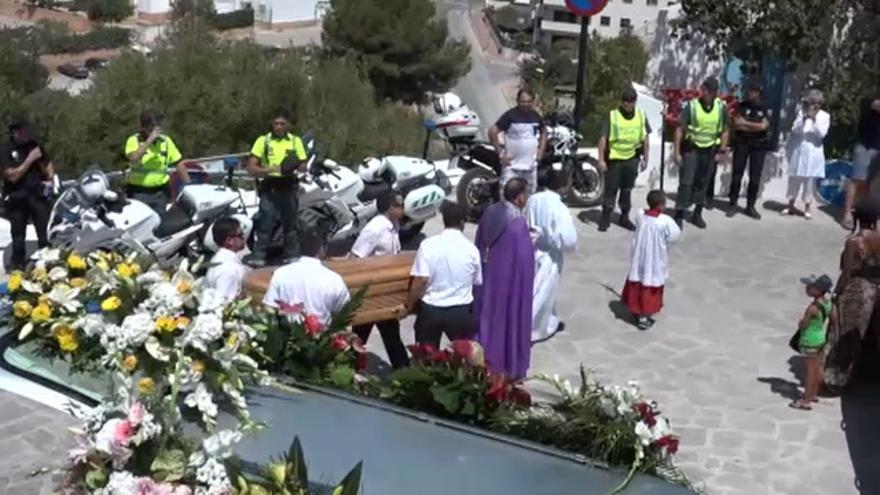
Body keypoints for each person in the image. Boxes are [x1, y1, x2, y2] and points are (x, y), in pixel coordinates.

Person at [473, 178, 535, 379]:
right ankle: (507, 365)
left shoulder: (491, 212)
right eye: (525, 194)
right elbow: (525, 262)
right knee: (508, 321)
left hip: (490, 276)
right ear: (519, 198)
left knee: (490, 317)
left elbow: (480, 242)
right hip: (510, 283)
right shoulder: (517, 225)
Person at [406, 201, 482, 349]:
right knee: (462, 359)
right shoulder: (471, 249)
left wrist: (408, 305)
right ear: (462, 222)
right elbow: (476, 281)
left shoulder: (428, 245)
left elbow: (421, 280)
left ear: (444, 220)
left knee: (427, 357)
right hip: (461, 311)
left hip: (431, 310)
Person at [824, 198, 880, 389]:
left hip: (857, 291)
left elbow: (847, 273)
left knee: (845, 336)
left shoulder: (854, 242)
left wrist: (836, 294)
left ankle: (838, 379)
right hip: (875, 290)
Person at [349, 192, 409, 369]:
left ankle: (402, 369)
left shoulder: (394, 225)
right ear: (390, 208)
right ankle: (350, 369)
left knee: (390, 335)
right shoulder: (374, 229)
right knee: (361, 336)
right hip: (369, 294)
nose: (403, 209)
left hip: (385, 293)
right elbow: (355, 258)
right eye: (400, 205)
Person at [245, 109, 308, 267]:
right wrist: (268, 170)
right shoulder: (263, 141)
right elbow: (251, 168)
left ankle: (292, 257)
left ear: (288, 125)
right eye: (276, 123)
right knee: (265, 222)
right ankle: (259, 257)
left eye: (282, 123)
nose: (278, 127)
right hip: (270, 186)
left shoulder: (295, 141)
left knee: (291, 224)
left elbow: (303, 164)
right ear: (271, 124)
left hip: (288, 185)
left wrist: (296, 166)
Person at [526, 169, 577, 342]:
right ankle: (528, 329)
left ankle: (548, 322)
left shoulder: (533, 199)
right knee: (542, 290)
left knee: (538, 287)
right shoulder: (558, 206)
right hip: (549, 253)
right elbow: (567, 237)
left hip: (532, 248)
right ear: (562, 187)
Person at [673, 77, 730, 229]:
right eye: (705, 90)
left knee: (703, 183)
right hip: (692, 149)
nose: (706, 93)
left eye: (710, 91)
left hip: (710, 151)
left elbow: (725, 131)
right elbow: (679, 129)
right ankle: (679, 213)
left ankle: (697, 213)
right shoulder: (691, 107)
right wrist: (677, 152)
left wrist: (722, 151)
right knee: (686, 182)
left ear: (715, 93)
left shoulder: (721, 107)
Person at [262, 228, 350, 326]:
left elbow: (269, 309)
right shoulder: (334, 280)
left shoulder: (280, 274)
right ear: (322, 248)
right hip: (322, 337)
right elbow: (345, 317)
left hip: (287, 337)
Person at [621, 190, 682, 330]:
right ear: (661, 205)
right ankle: (643, 316)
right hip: (654, 259)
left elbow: (641, 211)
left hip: (640, 257)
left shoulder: (641, 217)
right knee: (649, 284)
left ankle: (635, 309)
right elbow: (674, 235)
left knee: (639, 280)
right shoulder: (665, 221)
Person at [2, 119, 54, 270]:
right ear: (15, 132)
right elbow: (12, 176)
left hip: (37, 194)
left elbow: (47, 162)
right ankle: (18, 264)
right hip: (17, 196)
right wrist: (29, 159)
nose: (28, 133)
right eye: (24, 130)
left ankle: (47, 262)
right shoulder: (6, 149)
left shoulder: (34, 145)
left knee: (44, 231)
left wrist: (50, 179)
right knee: (18, 234)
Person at [596, 86, 651, 232]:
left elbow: (645, 137)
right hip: (614, 159)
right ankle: (605, 217)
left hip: (632, 158)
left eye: (630, 101)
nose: (627, 104)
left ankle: (624, 217)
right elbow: (602, 138)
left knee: (626, 190)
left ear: (635, 102)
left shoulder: (640, 115)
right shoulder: (612, 115)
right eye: (625, 101)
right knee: (611, 190)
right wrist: (601, 159)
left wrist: (646, 157)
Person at [125, 110, 188, 214]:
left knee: (160, 223)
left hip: (160, 193)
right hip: (138, 192)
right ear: (143, 127)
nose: (156, 131)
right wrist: (149, 141)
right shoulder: (133, 140)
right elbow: (133, 158)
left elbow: (178, 163)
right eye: (151, 128)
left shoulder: (165, 141)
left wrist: (188, 184)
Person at [489, 88, 547, 195]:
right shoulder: (510, 116)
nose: (526, 104)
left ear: (532, 102)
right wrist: (500, 153)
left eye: (529, 102)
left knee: (529, 199)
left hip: (530, 168)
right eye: (523, 102)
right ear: (518, 101)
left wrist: (541, 150)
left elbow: (544, 131)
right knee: (506, 198)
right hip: (512, 167)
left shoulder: (536, 116)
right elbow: (492, 131)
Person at [782, 90, 830, 220]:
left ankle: (807, 207)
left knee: (809, 181)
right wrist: (804, 119)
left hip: (813, 152)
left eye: (818, 103)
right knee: (794, 179)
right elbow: (794, 130)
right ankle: (790, 205)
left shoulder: (825, 116)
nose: (815, 105)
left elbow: (821, 134)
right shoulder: (801, 113)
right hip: (799, 150)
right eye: (813, 102)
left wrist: (813, 119)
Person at [727, 80, 771, 220]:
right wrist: (754, 126)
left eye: (753, 90)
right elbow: (736, 124)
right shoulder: (740, 106)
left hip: (758, 145)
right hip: (742, 143)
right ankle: (733, 203)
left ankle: (750, 206)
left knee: (755, 176)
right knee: (736, 174)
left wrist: (746, 124)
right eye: (749, 90)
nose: (749, 93)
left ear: (759, 93)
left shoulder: (765, 108)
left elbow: (764, 127)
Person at [789, 274, 833, 411]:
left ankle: (805, 400)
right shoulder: (828, 303)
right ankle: (813, 394)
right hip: (820, 339)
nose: (807, 288)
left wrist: (801, 322)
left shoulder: (812, 308)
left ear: (817, 290)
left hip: (810, 341)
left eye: (810, 286)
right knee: (817, 369)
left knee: (810, 372)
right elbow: (834, 319)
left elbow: (803, 325)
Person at [842, 96, 880, 230]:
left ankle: (870, 216)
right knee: (857, 180)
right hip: (865, 145)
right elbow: (875, 104)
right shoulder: (870, 98)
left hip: (878, 147)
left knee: (874, 184)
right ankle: (847, 214)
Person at [205, 217, 249, 304]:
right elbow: (226, 304)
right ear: (229, 240)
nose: (244, 237)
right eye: (240, 235)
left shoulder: (217, 259)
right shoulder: (229, 269)